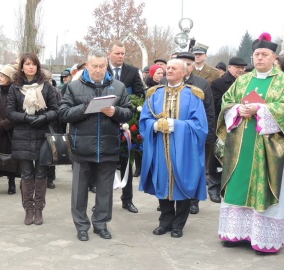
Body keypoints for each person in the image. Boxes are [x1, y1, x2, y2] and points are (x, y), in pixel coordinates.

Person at [217, 33, 284, 255]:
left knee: (267, 188)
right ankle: (236, 233)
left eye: (264, 54)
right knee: (237, 186)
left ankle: (264, 239)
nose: (260, 58)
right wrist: (237, 109)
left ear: (274, 57)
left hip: (270, 149)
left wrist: (260, 110)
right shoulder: (242, 80)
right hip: (241, 146)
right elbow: (227, 102)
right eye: (256, 54)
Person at [59, 49, 133, 241]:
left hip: (108, 147)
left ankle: (101, 224)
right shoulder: (74, 87)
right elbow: (64, 114)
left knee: (105, 190)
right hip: (82, 147)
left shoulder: (118, 87)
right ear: (87, 65)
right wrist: (86, 108)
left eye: (102, 66)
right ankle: (81, 225)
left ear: (106, 66)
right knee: (79, 191)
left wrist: (115, 111)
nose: (98, 70)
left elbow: (129, 113)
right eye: (94, 66)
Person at [140, 59, 208, 238]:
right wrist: (155, 126)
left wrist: (175, 125)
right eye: (167, 67)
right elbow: (145, 119)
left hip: (185, 149)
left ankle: (179, 224)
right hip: (160, 148)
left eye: (173, 68)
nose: (168, 70)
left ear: (184, 72)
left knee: (183, 182)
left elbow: (200, 126)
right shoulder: (154, 94)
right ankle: (165, 221)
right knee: (162, 182)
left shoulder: (194, 95)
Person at [6, 53, 58, 226]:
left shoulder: (46, 87)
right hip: (22, 136)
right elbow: (10, 112)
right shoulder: (15, 88)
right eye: (27, 64)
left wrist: (44, 118)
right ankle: (28, 209)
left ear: (37, 66)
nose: (31, 67)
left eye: (34, 64)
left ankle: (39, 209)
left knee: (41, 173)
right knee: (27, 174)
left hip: (42, 136)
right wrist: (25, 118)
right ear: (21, 67)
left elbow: (55, 109)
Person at [160, 52, 215, 214]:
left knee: (193, 170)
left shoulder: (201, 84)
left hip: (192, 136)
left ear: (189, 68)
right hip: (168, 137)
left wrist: (208, 136)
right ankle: (167, 199)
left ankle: (193, 201)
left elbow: (208, 111)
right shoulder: (164, 82)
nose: (170, 70)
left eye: (189, 64)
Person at [106, 40, 144, 213]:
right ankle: (103, 200)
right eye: (117, 53)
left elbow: (139, 95)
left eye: (123, 53)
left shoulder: (132, 71)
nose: (120, 56)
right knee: (105, 166)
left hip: (126, 123)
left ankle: (127, 200)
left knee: (126, 161)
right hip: (105, 122)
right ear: (110, 54)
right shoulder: (101, 69)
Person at [209, 56, 247, 203]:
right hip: (223, 124)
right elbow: (216, 103)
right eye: (237, 68)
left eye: (243, 68)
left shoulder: (246, 82)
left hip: (242, 125)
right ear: (230, 67)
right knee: (218, 157)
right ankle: (214, 189)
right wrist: (235, 104)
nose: (240, 71)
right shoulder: (218, 83)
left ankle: (232, 188)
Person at [0, 64, 18, 195]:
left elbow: (17, 110)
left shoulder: (16, 91)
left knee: (10, 157)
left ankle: (11, 183)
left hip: (10, 131)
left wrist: (5, 124)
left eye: (3, 76)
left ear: (10, 78)